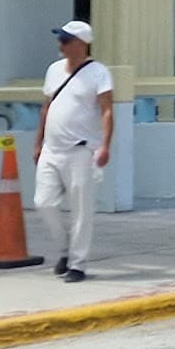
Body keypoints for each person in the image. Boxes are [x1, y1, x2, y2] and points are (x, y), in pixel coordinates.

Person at [34, 19, 115, 282]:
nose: (61, 44)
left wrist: (105, 145)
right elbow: (46, 107)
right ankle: (65, 249)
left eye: (66, 40)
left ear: (81, 44)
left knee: (81, 209)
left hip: (80, 150)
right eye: (60, 39)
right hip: (52, 148)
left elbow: (106, 111)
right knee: (43, 202)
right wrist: (38, 142)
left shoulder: (98, 73)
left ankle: (78, 263)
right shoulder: (54, 70)